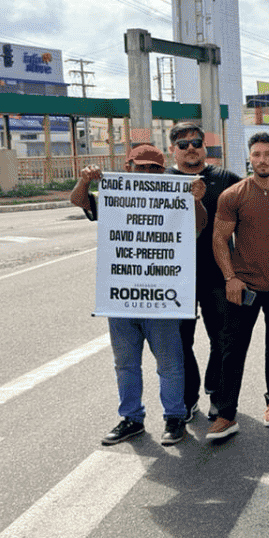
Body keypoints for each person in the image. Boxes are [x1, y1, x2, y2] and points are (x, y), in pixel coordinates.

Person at [70, 144, 206, 446]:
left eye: (154, 168)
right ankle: (131, 418)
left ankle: (175, 417)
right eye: (140, 167)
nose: (147, 172)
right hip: (123, 298)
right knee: (125, 364)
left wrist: (195, 200)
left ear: (163, 171)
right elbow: (79, 200)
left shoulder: (176, 198)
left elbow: (199, 224)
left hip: (162, 299)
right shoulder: (116, 197)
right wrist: (85, 181)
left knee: (170, 364)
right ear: (128, 167)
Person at [206, 132, 269, 441]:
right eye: (256, 154)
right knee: (231, 349)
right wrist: (230, 277)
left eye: (268, 154)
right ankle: (225, 414)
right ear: (250, 157)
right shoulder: (234, 194)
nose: (262, 159)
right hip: (242, 287)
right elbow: (220, 238)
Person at [167, 122, 242, 422]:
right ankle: (188, 399)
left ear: (205, 146)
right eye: (182, 144)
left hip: (217, 275)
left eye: (196, 142)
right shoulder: (160, 181)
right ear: (172, 150)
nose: (190, 148)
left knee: (222, 340)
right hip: (175, 279)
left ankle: (217, 391)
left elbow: (258, 193)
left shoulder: (225, 179)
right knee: (180, 342)